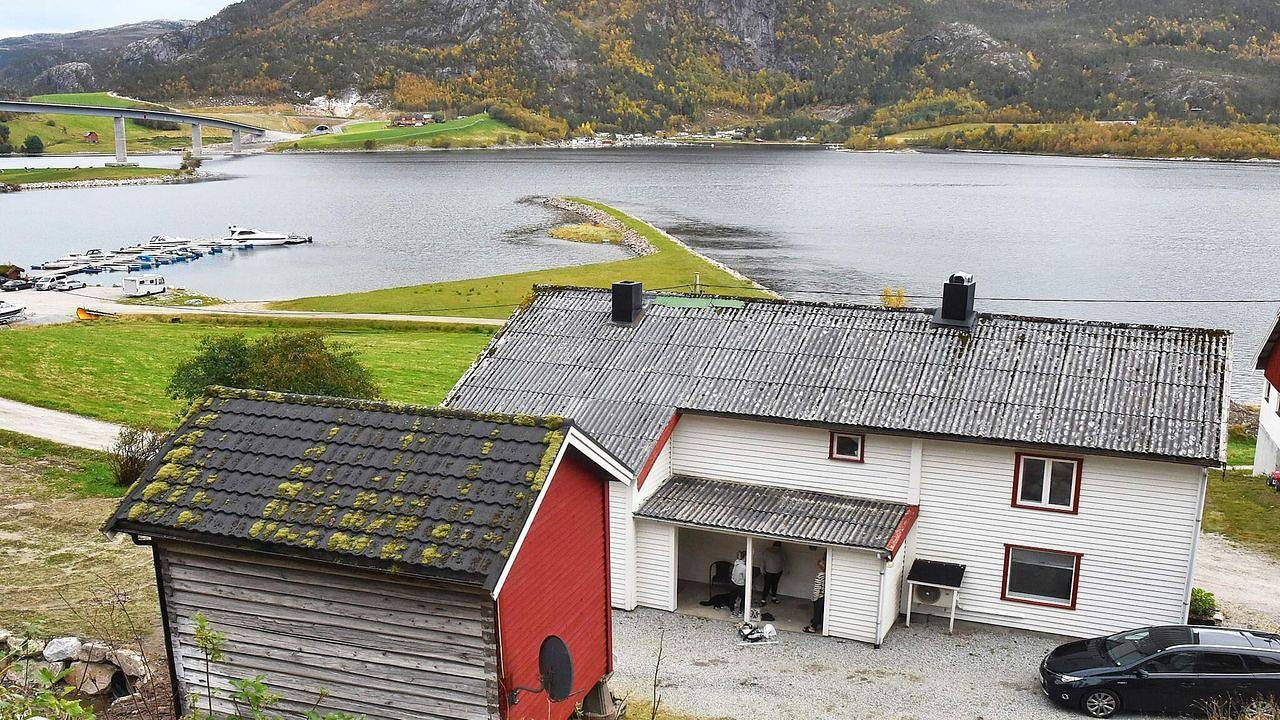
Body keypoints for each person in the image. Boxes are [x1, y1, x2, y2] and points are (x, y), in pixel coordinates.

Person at [804, 559, 825, 634]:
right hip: (823, 597)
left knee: (816, 613)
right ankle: (818, 622)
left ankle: (813, 628)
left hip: (819, 597)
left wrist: (814, 599)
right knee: (820, 612)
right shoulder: (826, 575)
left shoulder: (820, 576)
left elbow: (817, 589)